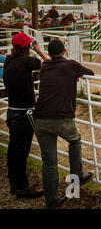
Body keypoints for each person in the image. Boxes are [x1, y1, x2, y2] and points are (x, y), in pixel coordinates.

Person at [33, 39, 95, 208]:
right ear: (65, 51)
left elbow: (48, 62)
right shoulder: (71, 66)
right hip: (61, 118)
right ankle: (77, 175)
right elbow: (90, 72)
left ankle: (51, 201)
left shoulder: (45, 67)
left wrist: (39, 52)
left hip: (41, 119)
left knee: (49, 163)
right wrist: (74, 75)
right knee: (74, 141)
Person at [3, 33, 49, 198]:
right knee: (21, 151)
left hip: (12, 111)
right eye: (29, 45)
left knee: (14, 149)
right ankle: (22, 187)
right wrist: (39, 50)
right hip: (24, 113)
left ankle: (14, 183)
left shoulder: (9, 61)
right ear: (27, 47)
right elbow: (49, 64)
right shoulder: (26, 61)